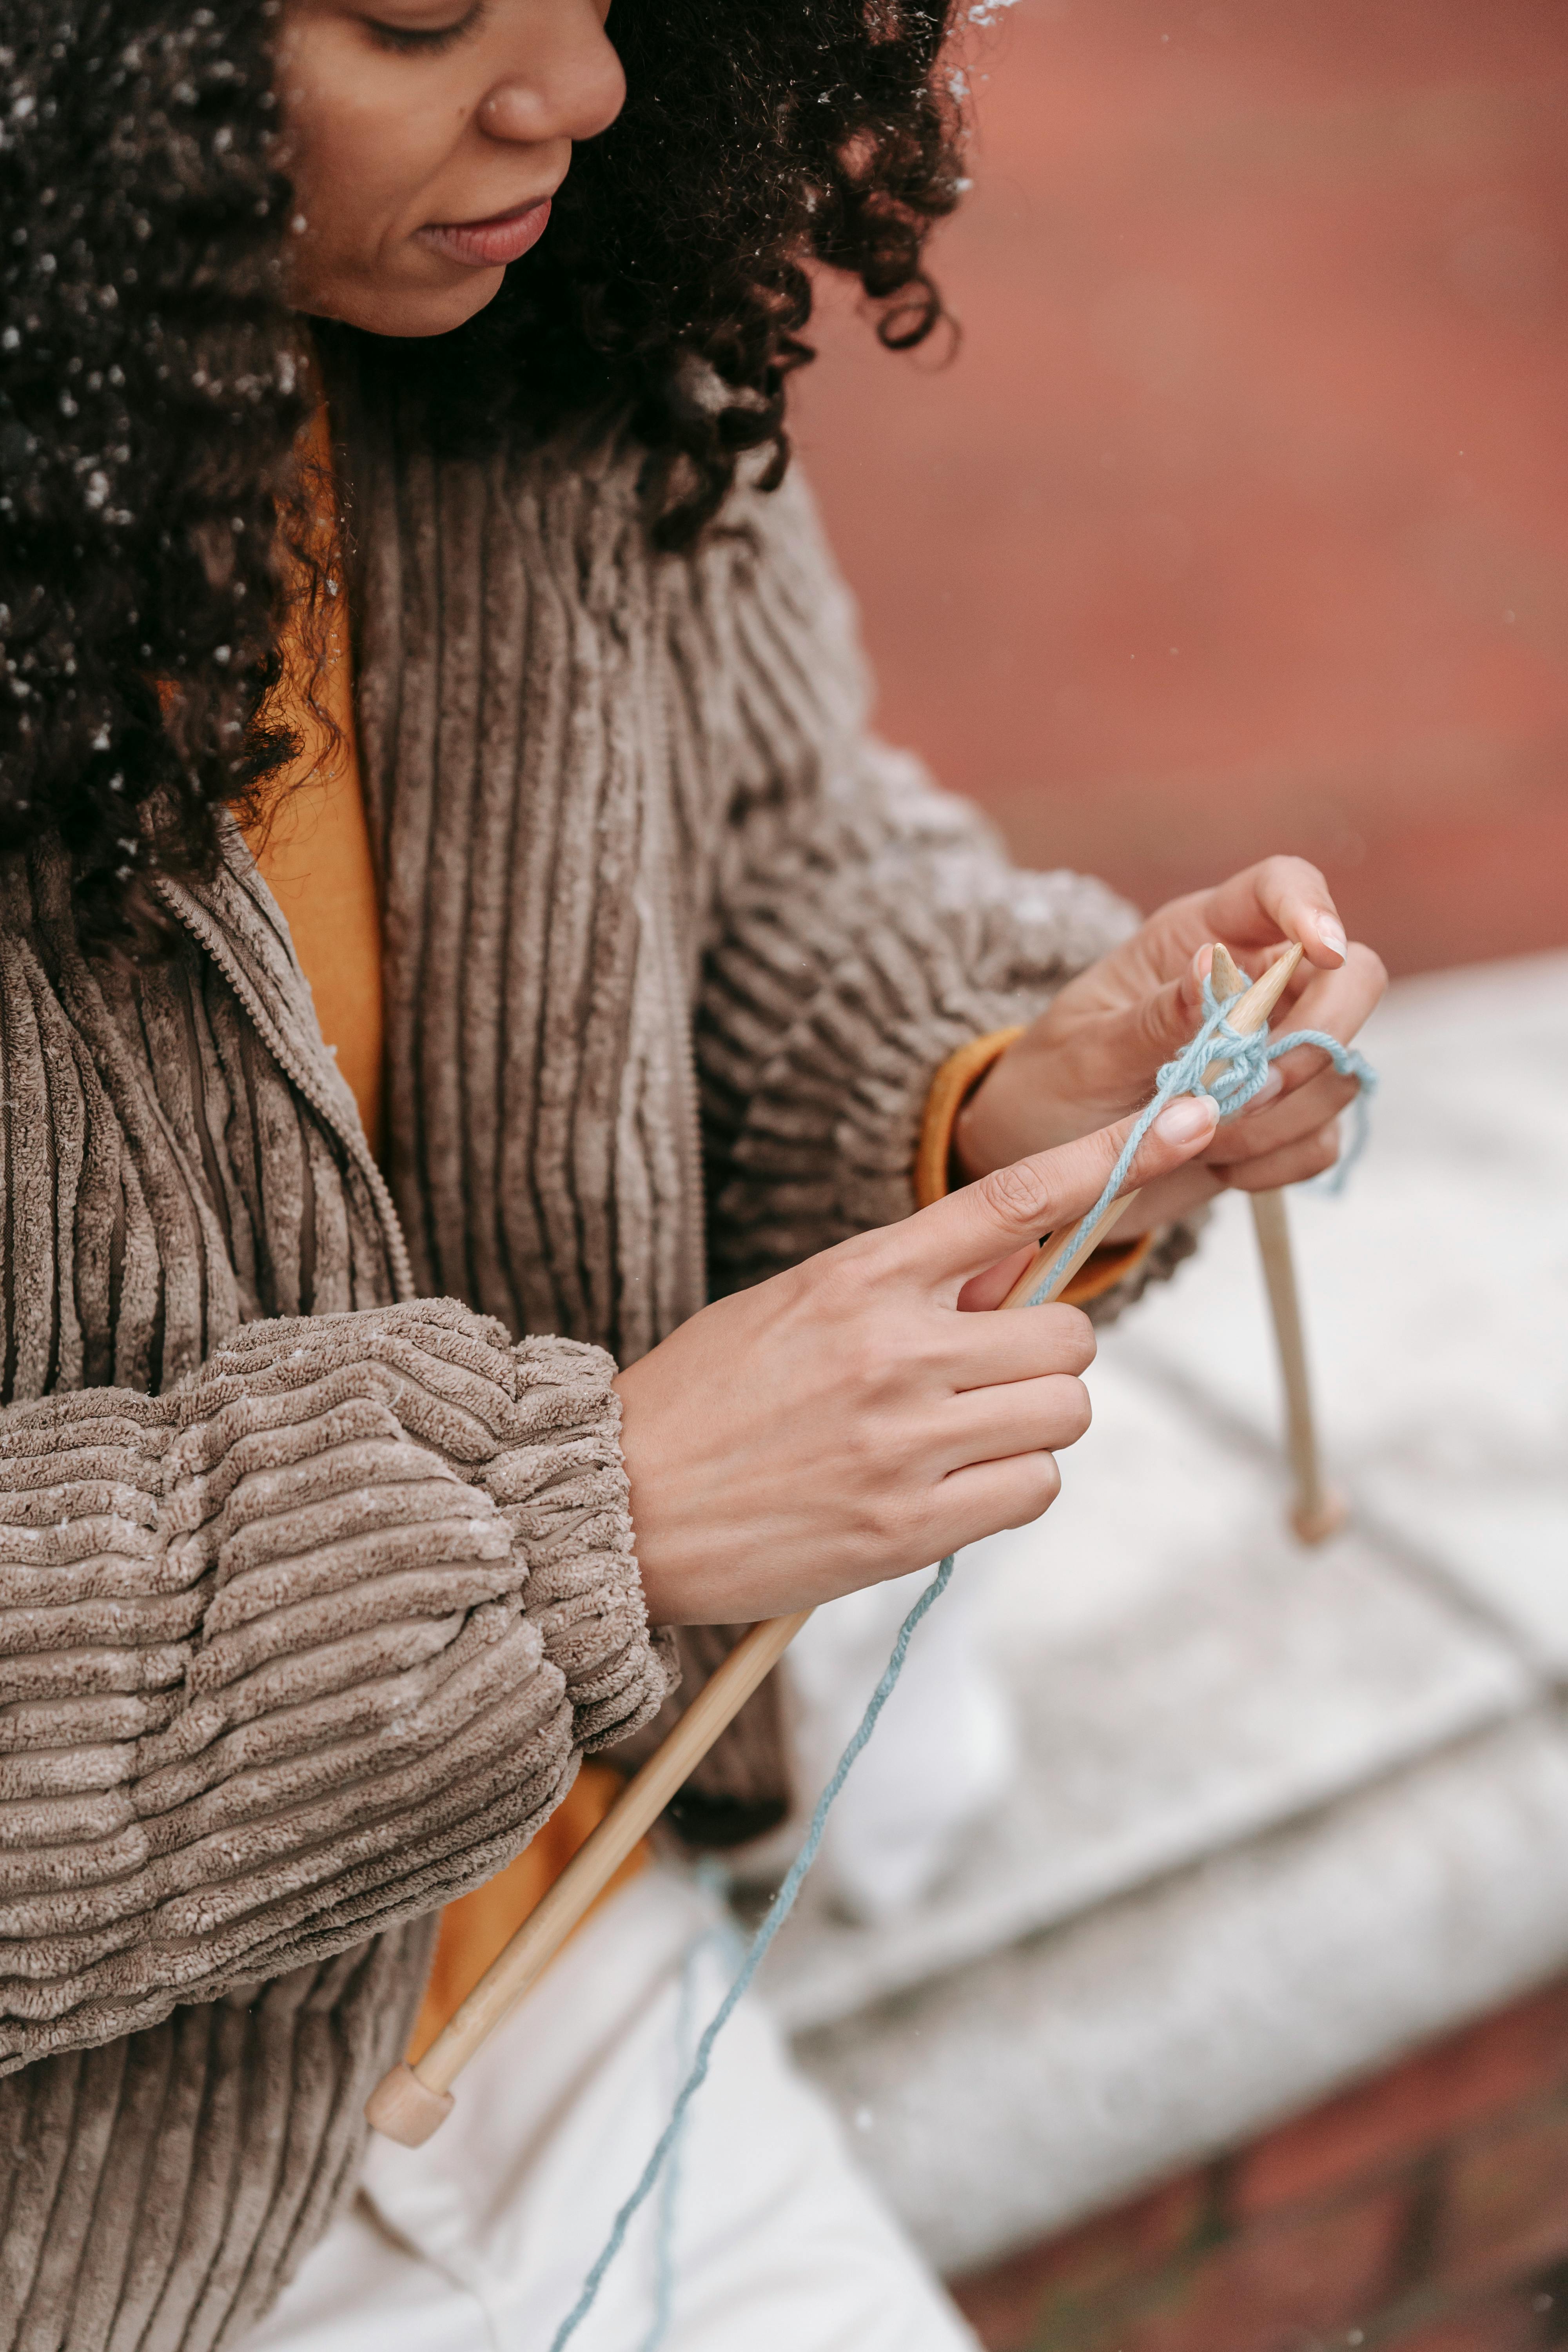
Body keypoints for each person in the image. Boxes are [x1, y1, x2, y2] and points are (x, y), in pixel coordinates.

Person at [0, 1, 1385, 2345]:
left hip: (524, 1963)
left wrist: (1007, 1098)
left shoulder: (548, 335)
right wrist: (583, 1518)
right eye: (425, 13)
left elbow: (765, 868)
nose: (587, 92)